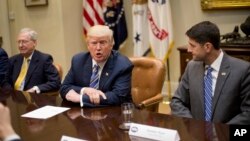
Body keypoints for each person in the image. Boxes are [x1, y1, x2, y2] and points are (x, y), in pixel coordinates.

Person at [170, 21, 250, 124]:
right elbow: (177, 101)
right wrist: (193, 125)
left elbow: (247, 113)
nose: (188, 50)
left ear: (207, 47)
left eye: (192, 46)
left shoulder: (242, 70)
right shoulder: (191, 67)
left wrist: (221, 132)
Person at [60, 25, 133, 107]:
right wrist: (84, 90)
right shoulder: (78, 60)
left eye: (102, 43)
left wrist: (80, 98)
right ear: (88, 45)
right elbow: (64, 87)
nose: (98, 48)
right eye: (94, 43)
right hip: (85, 114)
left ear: (111, 45)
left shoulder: (123, 65)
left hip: (115, 114)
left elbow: (118, 97)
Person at [7, 28, 61, 93]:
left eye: (24, 42)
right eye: (19, 42)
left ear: (34, 43)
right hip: (14, 99)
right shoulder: (13, 60)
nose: (20, 45)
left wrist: (36, 89)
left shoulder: (44, 59)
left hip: (34, 100)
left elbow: (55, 82)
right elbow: (6, 81)